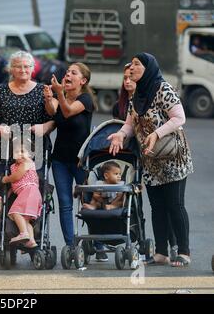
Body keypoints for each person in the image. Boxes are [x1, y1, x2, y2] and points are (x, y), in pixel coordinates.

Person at [108, 52, 194, 267]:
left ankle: (183, 251)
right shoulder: (136, 94)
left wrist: (157, 133)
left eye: (137, 65)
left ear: (149, 68)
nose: (132, 68)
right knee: (157, 207)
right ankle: (162, 253)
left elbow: (179, 117)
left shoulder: (162, 88)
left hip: (173, 156)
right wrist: (120, 134)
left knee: (174, 204)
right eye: (132, 65)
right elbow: (129, 124)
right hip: (151, 159)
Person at [43, 63, 108, 262]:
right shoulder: (59, 97)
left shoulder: (85, 99)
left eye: (73, 73)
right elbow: (53, 111)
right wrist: (48, 97)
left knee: (89, 201)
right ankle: (71, 246)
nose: (68, 74)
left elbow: (68, 111)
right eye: (67, 72)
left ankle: (98, 243)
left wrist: (59, 94)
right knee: (65, 204)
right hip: (60, 159)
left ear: (83, 81)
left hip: (81, 160)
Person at [0, 50, 55, 176]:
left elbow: (53, 119)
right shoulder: (1, 90)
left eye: (27, 66)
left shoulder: (42, 90)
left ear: (32, 69)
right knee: (4, 189)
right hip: (5, 149)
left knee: (32, 189)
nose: (23, 70)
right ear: (11, 69)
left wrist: (45, 127)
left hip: (35, 148)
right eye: (18, 66)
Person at [2, 143, 42, 249]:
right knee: (25, 219)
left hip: (29, 190)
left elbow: (17, 176)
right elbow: (15, 183)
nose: (20, 154)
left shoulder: (28, 163)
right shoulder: (13, 166)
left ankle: (23, 233)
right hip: (28, 193)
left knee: (15, 212)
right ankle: (31, 241)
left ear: (30, 154)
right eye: (16, 152)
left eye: (23, 151)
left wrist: (6, 179)